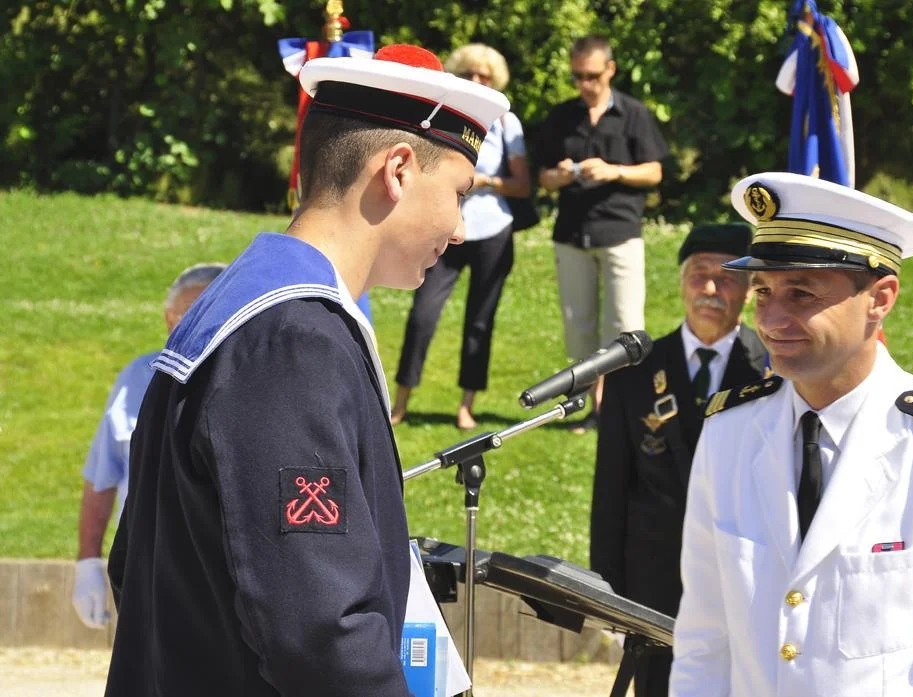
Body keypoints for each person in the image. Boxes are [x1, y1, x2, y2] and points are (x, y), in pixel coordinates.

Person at [104, 45, 509, 697]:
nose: (460, 229)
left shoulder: (236, 303)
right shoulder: (293, 339)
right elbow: (321, 636)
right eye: (459, 193)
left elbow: (136, 565)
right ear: (398, 168)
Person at [670, 172, 913, 696]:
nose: (772, 318)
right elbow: (703, 643)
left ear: (881, 297)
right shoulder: (728, 433)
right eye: (762, 292)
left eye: (801, 293)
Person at [590, 224, 767, 696]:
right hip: (655, 584)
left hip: (745, 583)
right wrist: (609, 592)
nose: (711, 288)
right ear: (682, 282)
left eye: (727, 277)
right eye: (699, 275)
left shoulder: (772, 370)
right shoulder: (634, 371)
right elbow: (611, 487)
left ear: (750, 291)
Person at [72, 262, 226, 630]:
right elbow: (102, 476)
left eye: (215, 311)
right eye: (191, 312)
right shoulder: (136, 379)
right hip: (144, 566)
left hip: (219, 574)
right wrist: (87, 562)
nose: (202, 322)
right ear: (169, 319)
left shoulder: (249, 377)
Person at [390, 43, 531, 430]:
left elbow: (523, 184)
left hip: (493, 230)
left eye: (484, 76)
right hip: (444, 225)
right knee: (423, 315)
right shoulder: (444, 116)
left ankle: (466, 404)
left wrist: (484, 181)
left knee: (479, 321)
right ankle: (401, 400)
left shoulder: (507, 123)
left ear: (495, 80)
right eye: (469, 74)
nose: (476, 81)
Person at [537, 34, 669, 432]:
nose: (584, 84)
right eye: (577, 76)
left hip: (620, 231)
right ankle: (584, 406)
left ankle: (621, 408)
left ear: (610, 69)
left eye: (591, 75)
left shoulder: (633, 113)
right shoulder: (562, 116)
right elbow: (543, 178)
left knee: (625, 325)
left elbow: (655, 171)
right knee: (579, 328)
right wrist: (561, 176)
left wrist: (614, 171)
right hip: (573, 234)